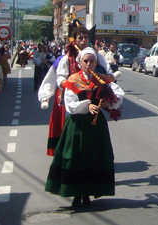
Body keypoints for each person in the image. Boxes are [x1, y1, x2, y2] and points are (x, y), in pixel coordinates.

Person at [44, 47, 123, 208]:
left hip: (96, 126)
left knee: (92, 158)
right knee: (75, 158)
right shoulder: (73, 80)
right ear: (80, 62)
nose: (88, 64)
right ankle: (75, 193)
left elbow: (117, 94)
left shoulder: (100, 79)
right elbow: (70, 105)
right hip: (77, 124)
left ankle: (87, 192)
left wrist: (109, 102)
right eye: (85, 61)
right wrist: (87, 105)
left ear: (95, 62)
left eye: (91, 61)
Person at [38, 25, 115, 156]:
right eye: (80, 38)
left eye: (85, 38)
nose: (83, 41)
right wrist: (72, 85)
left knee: (93, 130)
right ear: (75, 40)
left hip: (92, 99)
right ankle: (69, 155)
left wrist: (106, 82)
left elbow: (110, 73)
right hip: (73, 97)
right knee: (72, 128)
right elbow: (60, 78)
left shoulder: (96, 56)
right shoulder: (67, 58)